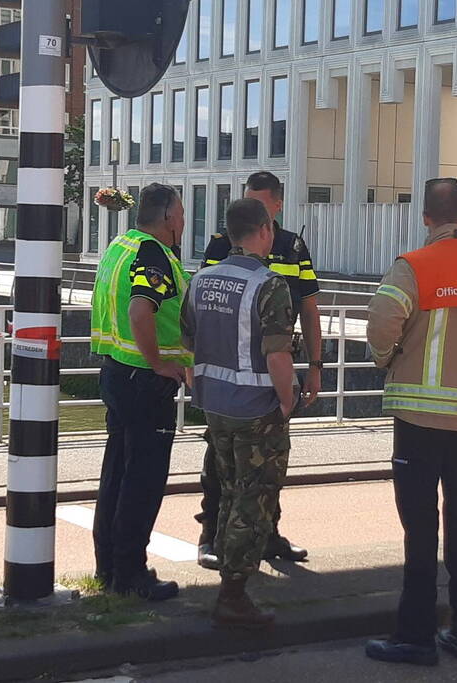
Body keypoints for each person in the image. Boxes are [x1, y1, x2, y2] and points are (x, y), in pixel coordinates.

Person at [364, 178, 457, 667]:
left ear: (426, 217)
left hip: (418, 419)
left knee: (420, 528)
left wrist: (387, 359)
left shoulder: (414, 266)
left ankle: (415, 636)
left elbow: (382, 319)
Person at [180, 198, 297, 629]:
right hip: (256, 408)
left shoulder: (202, 279)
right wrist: (286, 402)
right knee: (253, 498)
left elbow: (189, 340)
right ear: (265, 230)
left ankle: (226, 570)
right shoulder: (269, 284)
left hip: (214, 404)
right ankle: (233, 595)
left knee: (228, 490)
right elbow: (278, 354)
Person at [194, 171, 320, 569]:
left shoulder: (292, 246)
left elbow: (309, 309)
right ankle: (213, 538)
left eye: (260, 204)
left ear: (276, 209)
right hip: (243, 381)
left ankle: (266, 536)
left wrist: (315, 367)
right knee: (223, 468)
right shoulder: (221, 246)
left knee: (264, 473)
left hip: (263, 377)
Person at [89, 183, 192, 602]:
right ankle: (131, 574)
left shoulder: (121, 245)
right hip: (144, 382)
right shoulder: (152, 254)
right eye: (182, 214)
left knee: (116, 472)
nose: (184, 221)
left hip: (116, 371)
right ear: (168, 218)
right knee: (143, 480)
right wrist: (160, 363)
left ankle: (108, 567)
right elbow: (140, 310)